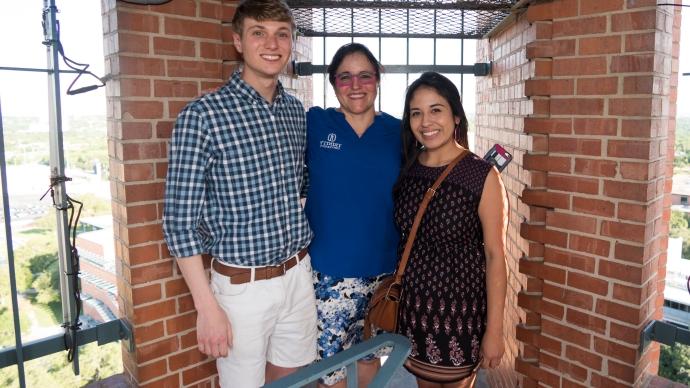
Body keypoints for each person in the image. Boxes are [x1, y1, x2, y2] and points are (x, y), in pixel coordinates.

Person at [162, 0, 317, 386]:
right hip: (241, 289)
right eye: (258, 33)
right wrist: (206, 307)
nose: (272, 43)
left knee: (293, 377)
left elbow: (299, 186)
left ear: (292, 43)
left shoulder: (295, 113)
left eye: (282, 34)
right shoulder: (202, 116)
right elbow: (179, 225)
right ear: (238, 41)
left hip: (298, 274)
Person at [393, 72, 507, 388]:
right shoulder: (408, 169)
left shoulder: (481, 175)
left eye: (436, 109)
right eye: (416, 112)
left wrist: (494, 331)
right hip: (415, 313)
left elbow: (496, 255)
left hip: (463, 318)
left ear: (456, 115)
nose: (426, 121)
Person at [304, 43, 401, 387]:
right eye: (345, 77)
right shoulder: (315, 124)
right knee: (331, 370)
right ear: (333, 83)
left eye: (365, 76)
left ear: (377, 81)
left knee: (370, 356)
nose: (356, 85)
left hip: (383, 272)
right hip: (330, 274)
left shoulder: (399, 133)